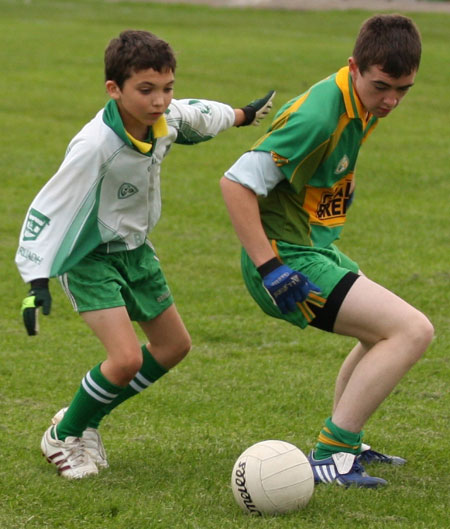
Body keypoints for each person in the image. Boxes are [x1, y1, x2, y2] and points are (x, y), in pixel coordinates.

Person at [16, 29, 275, 479]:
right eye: (146, 90)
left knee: (174, 346)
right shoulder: (95, 146)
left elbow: (197, 115)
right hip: (90, 257)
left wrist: (242, 115)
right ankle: (63, 436)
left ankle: (85, 422)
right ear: (114, 90)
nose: (159, 100)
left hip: (136, 250)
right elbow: (48, 206)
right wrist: (35, 278)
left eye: (166, 87)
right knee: (126, 359)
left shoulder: (166, 117)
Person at [220, 14, 434, 488]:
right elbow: (235, 184)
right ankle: (333, 455)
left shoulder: (359, 101)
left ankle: (346, 445)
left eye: (403, 89)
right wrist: (270, 266)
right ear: (354, 66)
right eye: (382, 86)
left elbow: (321, 163)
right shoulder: (319, 114)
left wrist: (338, 186)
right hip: (286, 261)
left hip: (313, 246)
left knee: (382, 332)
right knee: (411, 331)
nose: (392, 100)